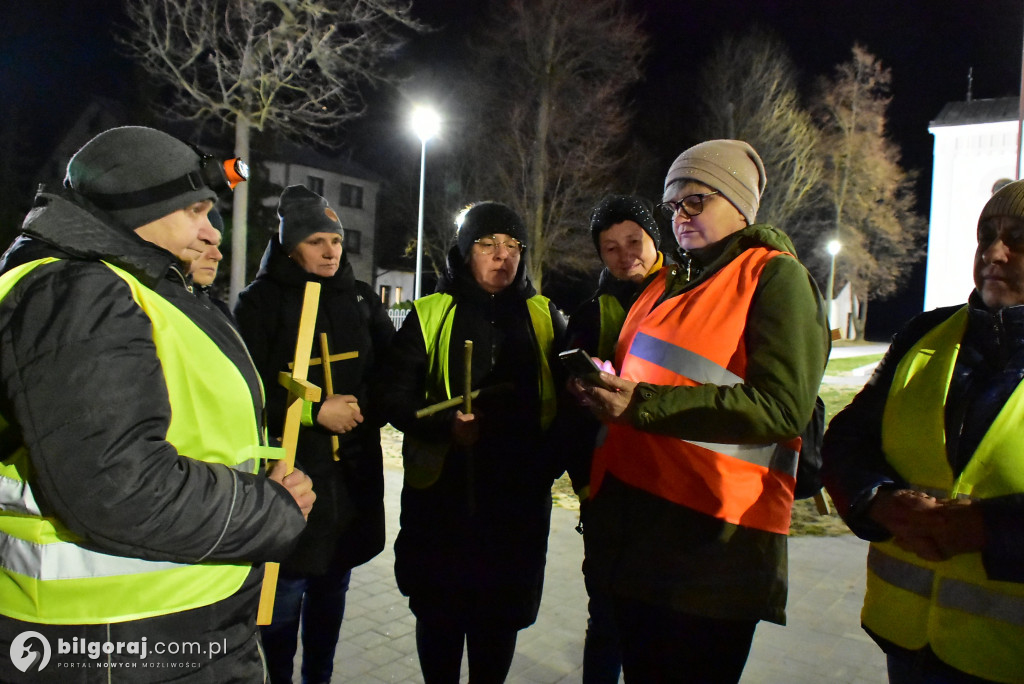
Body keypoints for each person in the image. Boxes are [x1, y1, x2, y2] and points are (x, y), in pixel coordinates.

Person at [0, 125, 314, 682]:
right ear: (139, 208)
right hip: (121, 638)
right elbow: (119, 486)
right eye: (194, 210)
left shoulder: (115, 285)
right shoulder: (79, 291)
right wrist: (269, 509)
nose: (212, 231)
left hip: (158, 624)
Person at [573, 140, 830, 683]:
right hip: (638, 537)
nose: (680, 216)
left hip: (715, 551)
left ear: (739, 203)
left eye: (695, 201)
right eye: (672, 206)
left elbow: (782, 407)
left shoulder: (776, 278)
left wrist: (642, 403)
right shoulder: (664, 285)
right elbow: (642, 379)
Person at [821, 179, 1024, 684]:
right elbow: (847, 440)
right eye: (987, 235)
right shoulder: (924, 334)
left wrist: (990, 529)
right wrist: (877, 499)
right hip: (908, 644)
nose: (994, 253)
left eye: (1019, 238)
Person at [373, 201, 567, 683]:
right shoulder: (431, 314)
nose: (502, 256)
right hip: (443, 501)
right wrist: (444, 429)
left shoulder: (544, 318)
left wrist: (544, 465)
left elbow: (568, 405)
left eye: (512, 246)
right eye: (488, 245)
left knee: (498, 625)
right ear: (464, 252)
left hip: (514, 507)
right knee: (439, 620)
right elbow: (392, 395)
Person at [235, 184, 395, 684]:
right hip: (294, 476)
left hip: (348, 480)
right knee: (280, 614)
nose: (330, 252)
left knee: (331, 603)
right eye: (316, 241)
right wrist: (311, 411)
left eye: (337, 241)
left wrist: (359, 408)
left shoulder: (362, 300)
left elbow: (389, 375)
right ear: (289, 245)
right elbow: (245, 388)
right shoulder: (258, 304)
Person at [559, 194, 664, 684]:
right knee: (607, 614)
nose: (626, 256)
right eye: (611, 248)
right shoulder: (591, 315)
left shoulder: (686, 299)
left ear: (653, 238)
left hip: (673, 486)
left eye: (634, 241)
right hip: (609, 487)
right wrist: (585, 482)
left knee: (665, 624)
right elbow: (569, 414)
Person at [188, 206, 233, 320]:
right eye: (204, 242)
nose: (217, 256)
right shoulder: (144, 305)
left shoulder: (221, 312)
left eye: (218, 245)